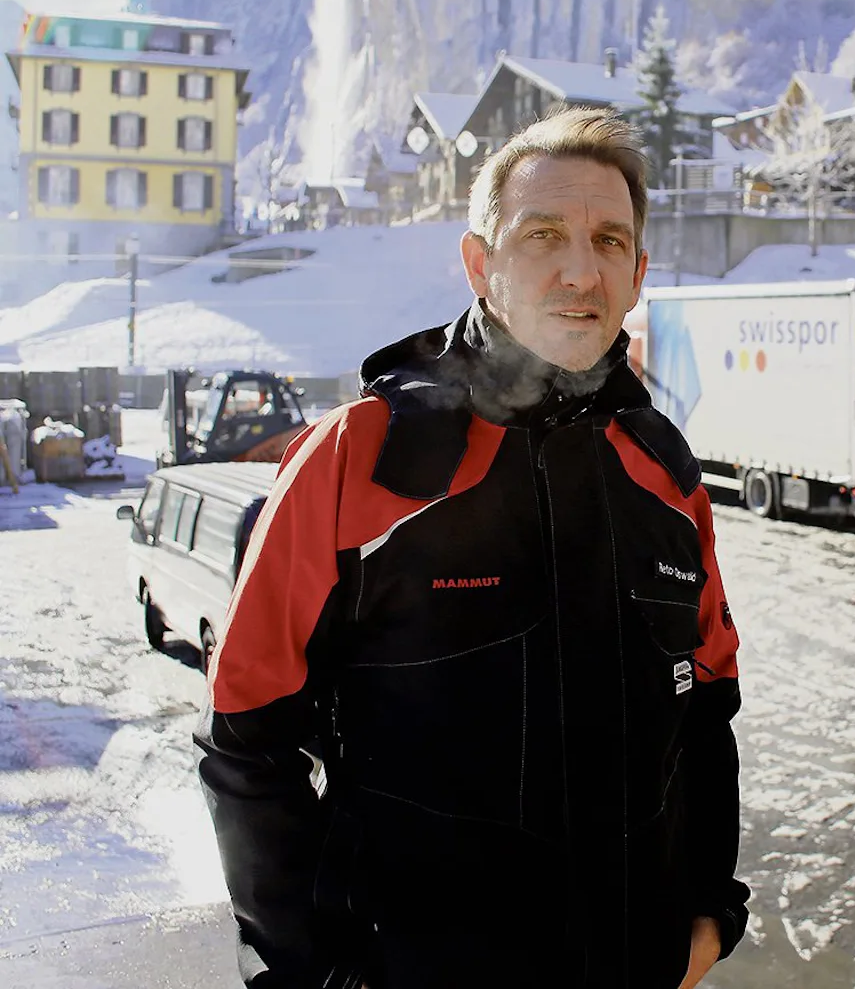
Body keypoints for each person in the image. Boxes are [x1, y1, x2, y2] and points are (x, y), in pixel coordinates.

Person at [197, 106, 749, 989]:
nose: (581, 269)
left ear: (639, 274)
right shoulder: (360, 456)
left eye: (610, 241)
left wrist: (709, 915)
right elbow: (246, 746)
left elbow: (708, 714)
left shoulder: (666, 474)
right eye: (543, 235)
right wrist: (315, 978)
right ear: (481, 264)